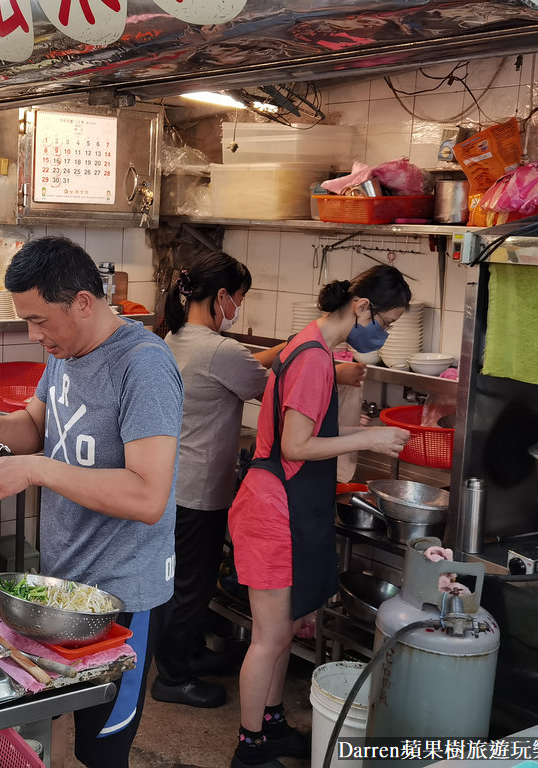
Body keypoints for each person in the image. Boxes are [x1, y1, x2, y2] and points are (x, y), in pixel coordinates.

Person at [0, 235, 183, 768]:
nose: (33, 335)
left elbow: (148, 494)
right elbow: (36, 426)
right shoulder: (64, 352)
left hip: (122, 597)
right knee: (52, 729)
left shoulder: (143, 366)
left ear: (82, 302)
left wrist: (36, 470)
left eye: (39, 320)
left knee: (102, 751)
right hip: (64, 587)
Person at [153, 252, 365, 710]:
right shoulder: (217, 350)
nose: (239, 308)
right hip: (199, 487)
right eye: (240, 298)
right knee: (192, 585)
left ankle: (185, 656)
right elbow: (269, 384)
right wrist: (334, 370)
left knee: (181, 582)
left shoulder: (177, 336)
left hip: (173, 481)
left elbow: (248, 362)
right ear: (222, 297)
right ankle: (172, 677)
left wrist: (294, 348)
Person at [228, 265, 412, 768]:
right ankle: (249, 749)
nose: (385, 333)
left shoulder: (311, 344)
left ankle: (270, 725)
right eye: (387, 322)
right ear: (360, 307)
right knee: (268, 638)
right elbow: (294, 445)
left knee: (283, 629)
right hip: (273, 509)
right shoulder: (312, 358)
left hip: (285, 504)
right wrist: (369, 437)